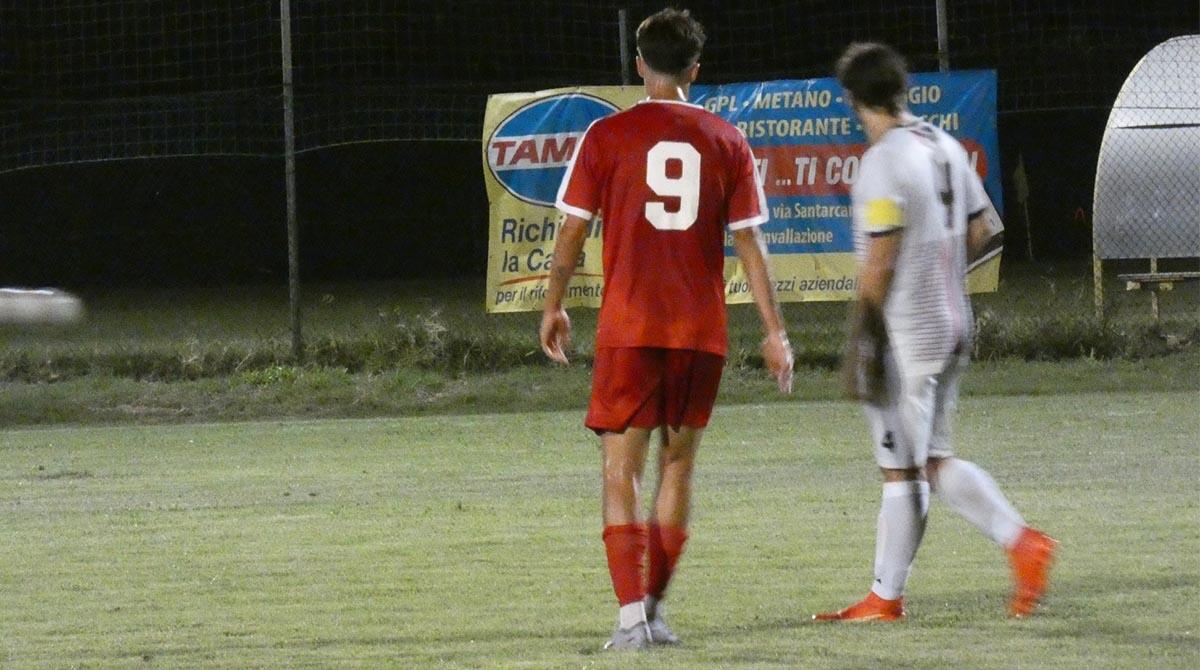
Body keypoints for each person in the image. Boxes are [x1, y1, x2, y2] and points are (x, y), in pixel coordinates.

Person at [539, 8, 794, 651]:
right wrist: (774, 332)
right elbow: (750, 244)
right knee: (677, 467)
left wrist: (554, 304)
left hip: (630, 326)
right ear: (695, 70)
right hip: (699, 329)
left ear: (639, 65)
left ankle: (630, 620)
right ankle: (654, 611)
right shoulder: (726, 139)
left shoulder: (606, 135)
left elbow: (572, 231)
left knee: (619, 469)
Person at [815, 42, 1055, 622]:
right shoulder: (944, 143)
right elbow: (986, 231)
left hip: (907, 332)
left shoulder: (881, 161)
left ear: (851, 100)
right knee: (919, 459)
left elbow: (882, 255)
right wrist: (941, 269)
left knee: (914, 464)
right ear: (904, 89)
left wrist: (863, 336)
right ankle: (885, 596)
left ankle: (1020, 541)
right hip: (954, 324)